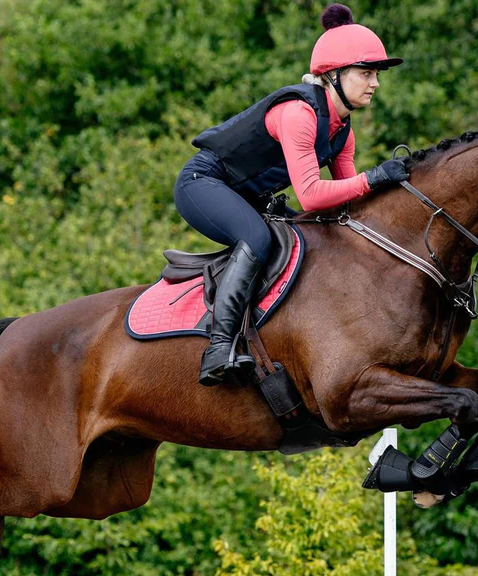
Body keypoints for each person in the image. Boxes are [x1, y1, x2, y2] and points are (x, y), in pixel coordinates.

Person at [174, 3, 410, 386]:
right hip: (202, 183)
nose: (375, 83)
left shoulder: (341, 132)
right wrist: (373, 177)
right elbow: (314, 196)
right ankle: (218, 348)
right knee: (257, 238)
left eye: (376, 74)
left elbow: (346, 207)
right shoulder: (299, 114)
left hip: (244, 195)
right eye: (366, 73)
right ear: (333, 75)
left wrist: (397, 196)